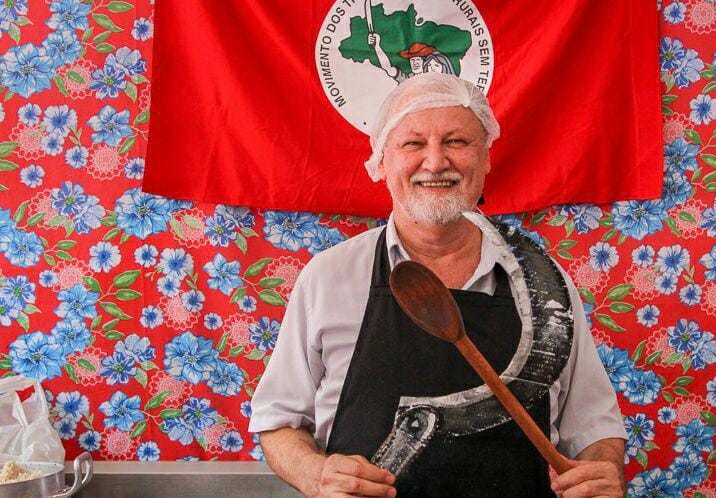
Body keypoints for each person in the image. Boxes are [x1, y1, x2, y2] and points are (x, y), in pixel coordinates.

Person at [249, 73, 628, 498]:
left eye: (457, 142)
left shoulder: (543, 281)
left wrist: (601, 469)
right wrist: (316, 475)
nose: (435, 162)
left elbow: (596, 428)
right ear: (382, 161)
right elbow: (278, 420)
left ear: (485, 157)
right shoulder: (330, 276)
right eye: (413, 144)